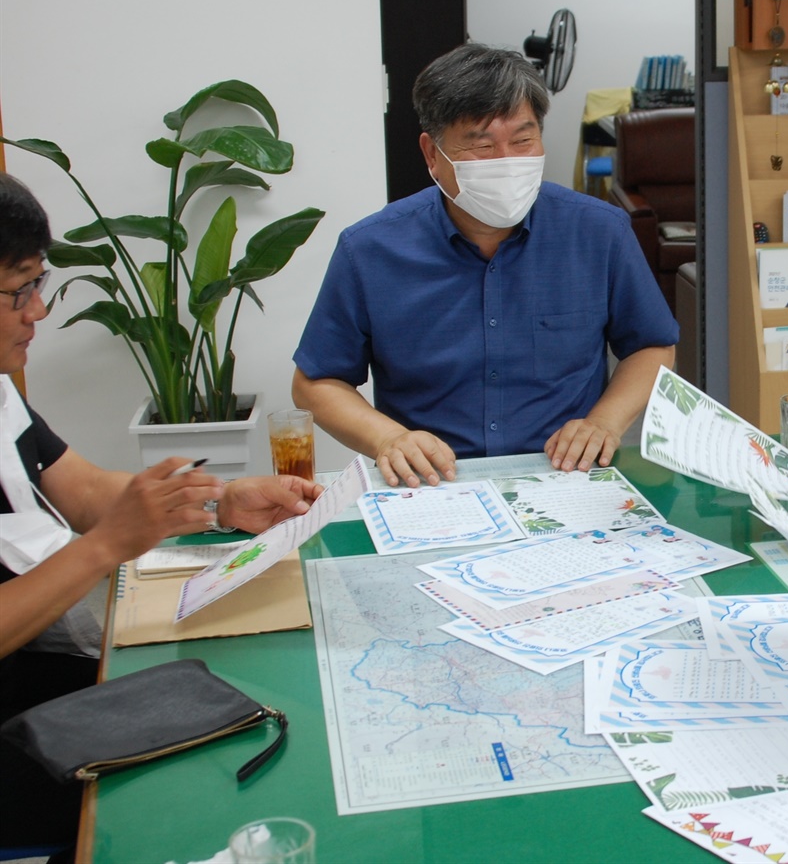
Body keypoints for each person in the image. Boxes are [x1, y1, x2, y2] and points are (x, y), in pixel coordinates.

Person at [0, 172, 325, 853]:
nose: (37, 312)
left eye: (38, 286)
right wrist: (103, 547)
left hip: (59, 675)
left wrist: (220, 500)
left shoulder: (2, 394)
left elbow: (84, 489)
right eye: (19, 291)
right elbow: (99, 529)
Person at [293, 43, 678, 488]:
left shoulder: (599, 231)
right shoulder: (370, 249)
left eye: (522, 140)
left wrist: (604, 422)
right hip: (431, 484)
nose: (508, 162)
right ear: (432, 155)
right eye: (481, 144)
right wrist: (389, 439)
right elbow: (314, 383)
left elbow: (652, 346)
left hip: (566, 478)